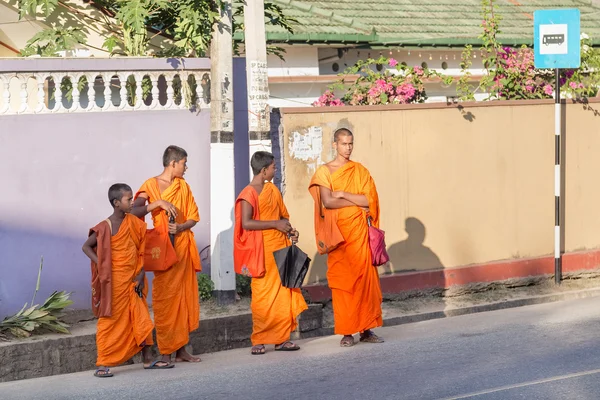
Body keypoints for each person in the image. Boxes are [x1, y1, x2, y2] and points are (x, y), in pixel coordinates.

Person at [82, 183, 170, 378]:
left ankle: (147, 360)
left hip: (133, 279)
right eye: (128, 199)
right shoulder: (105, 226)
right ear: (116, 203)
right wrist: (102, 264)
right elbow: (86, 247)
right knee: (109, 321)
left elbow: (141, 250)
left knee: (142, 318)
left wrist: (140, 274)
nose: (132, 202)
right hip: (113, 282)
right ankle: (103, 362)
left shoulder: (135, 223)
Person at [308, 128, 384, 347]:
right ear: (334, 145)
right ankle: (347, 332)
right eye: (343, 144)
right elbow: (328, 202)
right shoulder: (324, 172)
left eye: (350, 144)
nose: (348, 148)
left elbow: (370, 201)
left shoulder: (359, 170)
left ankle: (367, 330)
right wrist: (355, 201)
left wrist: (343, 194)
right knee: (343, 285)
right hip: (339, 238)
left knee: (364, 283)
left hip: (359, 235)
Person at [132, 145, 202, 364]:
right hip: (163, 248)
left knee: (182, 299)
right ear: (173, 163)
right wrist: (158, 203)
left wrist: (180, 228)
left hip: (182, 246)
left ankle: (181, 351)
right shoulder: (150, 185)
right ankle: (165, 351)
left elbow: (193, 217)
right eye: (184, 163)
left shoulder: (183, 186)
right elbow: (134, 211)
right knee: (166, 299)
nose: (186, 167)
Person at [234, 151, 308, 355]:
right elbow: (247, 222)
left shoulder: (273, 190)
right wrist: (275, 224)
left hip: (280, 246)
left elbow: (282, 216)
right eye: (273, 167)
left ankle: (281, 339)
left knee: (283, 294)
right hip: (261, 251)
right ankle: (259, 339)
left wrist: (290, 230)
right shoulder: (248, 193)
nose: (275, 170)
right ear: (264, 170)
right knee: (262, 297)